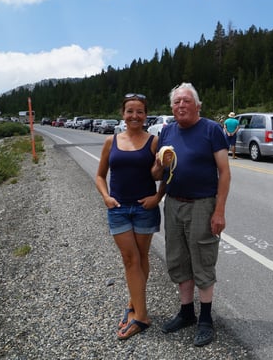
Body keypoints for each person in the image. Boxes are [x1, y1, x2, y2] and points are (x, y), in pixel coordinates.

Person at [152, 82, 231, 347]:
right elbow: (157, 173)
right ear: (171, 107)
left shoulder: (211, 130)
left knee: (203, 259)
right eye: (176, 102)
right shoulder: (167, 131)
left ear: (197, 105)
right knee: (178, 258)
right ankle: (187, 312)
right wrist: (159, 167)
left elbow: (225, 172)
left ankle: (206, 319)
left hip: (202, 204)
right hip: (174, 203)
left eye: (186, 101)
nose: (181, 105)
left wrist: (219, 211)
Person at [95, 93, 165, 340]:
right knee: (129, 259)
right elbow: (100, 175)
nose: (135, 116)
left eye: (140, 112)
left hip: (145, 209)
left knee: (141, 257)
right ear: (123, 114)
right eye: (130, 111)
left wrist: (157, 197)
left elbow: (166, 173)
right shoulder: (111, 141)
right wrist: (106, 197)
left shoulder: (154, 142)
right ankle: (140, 313)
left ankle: (137, 309)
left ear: (146, 115)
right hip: (118, 209)